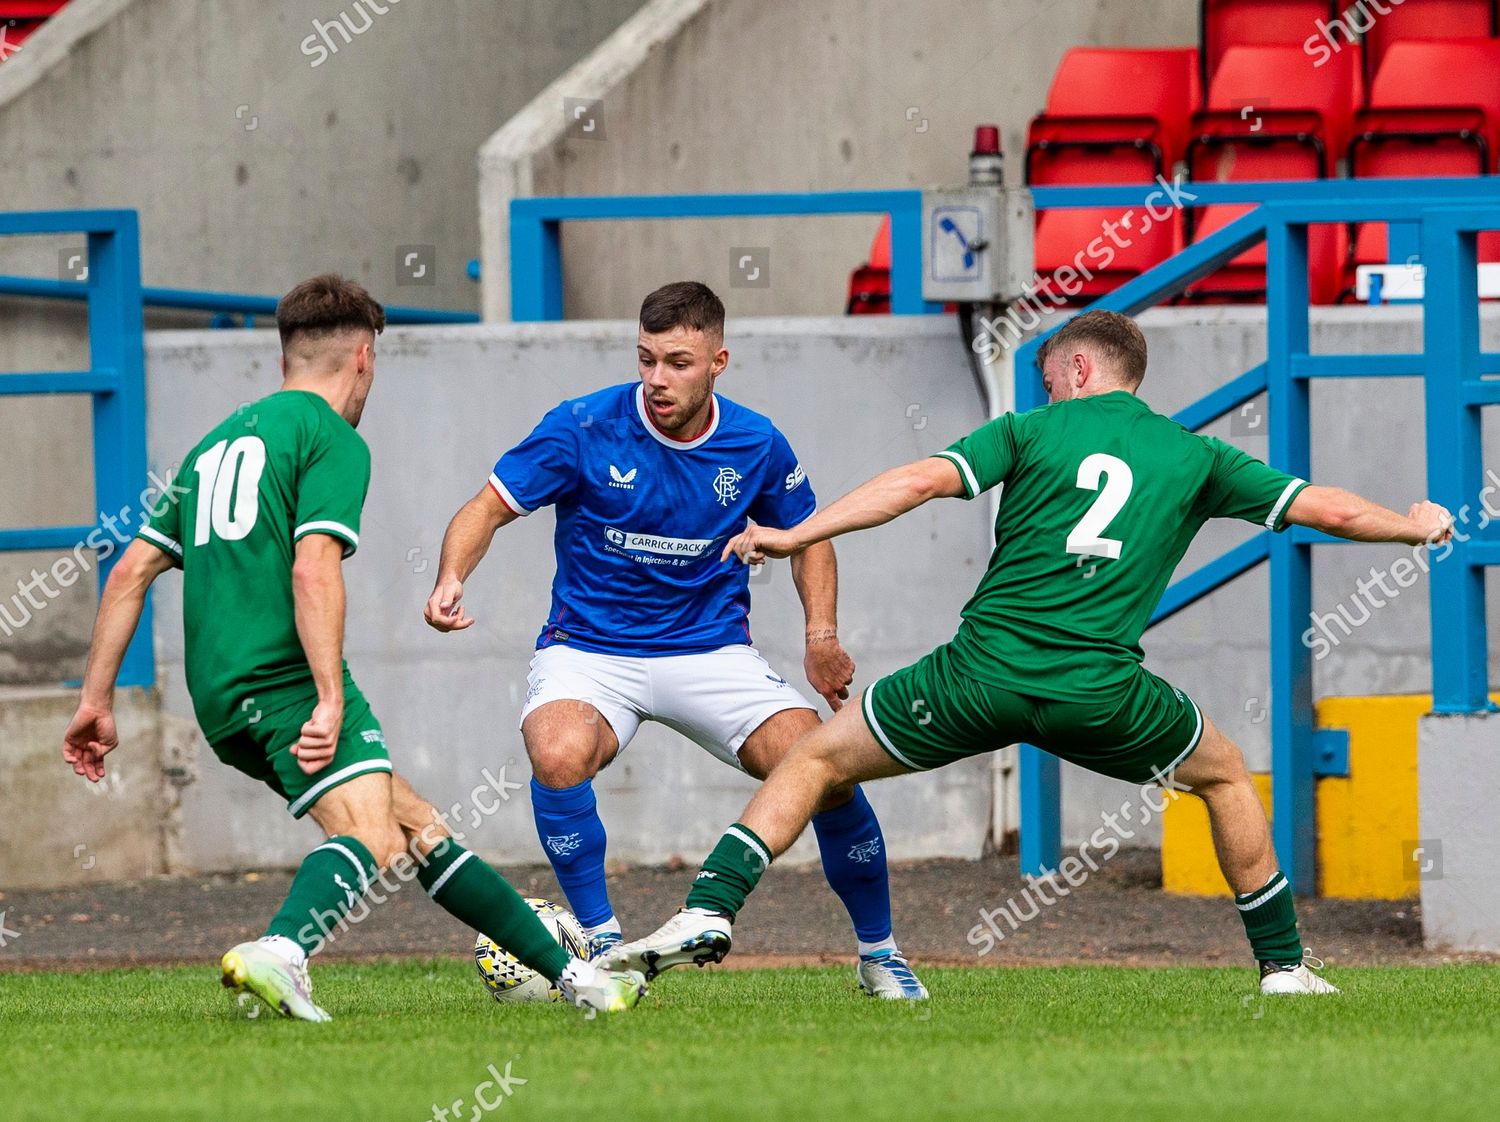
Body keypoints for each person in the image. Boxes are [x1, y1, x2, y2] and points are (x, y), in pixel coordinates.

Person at [603, 309, 1454, 997]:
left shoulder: (1028, 432)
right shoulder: (1198, 456)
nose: (1044, 389)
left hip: (976, 679)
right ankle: (1284, 970)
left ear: (1079, 370)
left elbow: (914, 483)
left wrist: (796, 534)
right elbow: (1330, 512)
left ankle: (709, 908)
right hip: (1102, 693)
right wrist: (1413, 526)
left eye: (1049, 375)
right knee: (1226, 775)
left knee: (819, 758)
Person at [62, 274, 645, 1019]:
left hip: (219, 699)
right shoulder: (329, 439)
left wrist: (94, 702)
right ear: (364, 357)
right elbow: (313, 567)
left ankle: (578, 980)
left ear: (285, 360)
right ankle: (280, 953)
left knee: (416, 826)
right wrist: (330, 698)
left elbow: (129, 573)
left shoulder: (212, 448)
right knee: (370, 837)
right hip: (285, 682)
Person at [424, 280, 926, 999]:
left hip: (710, 652)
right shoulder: (581, 426)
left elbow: (811, 538)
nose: (658, 379)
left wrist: (821, 635)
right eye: (647, 359)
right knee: (557, 751)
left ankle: (880, 953)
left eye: (679, 362)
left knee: (827, 762)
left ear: (718, 360)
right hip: (591, 649)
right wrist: (450, 577)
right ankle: (601, 948)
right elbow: (486, 507)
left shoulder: (756, 442)